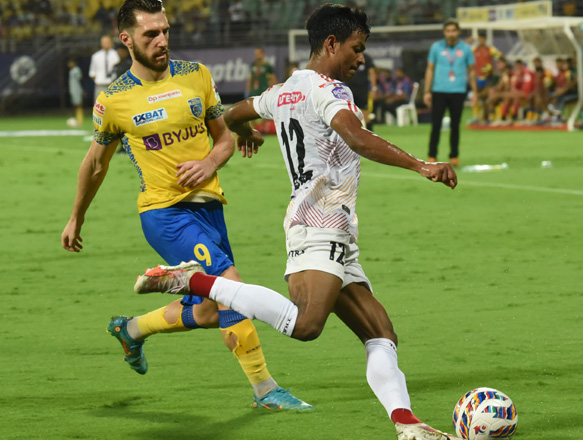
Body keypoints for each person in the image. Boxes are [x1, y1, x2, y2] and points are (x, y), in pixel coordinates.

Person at [133, 4, 459, 439]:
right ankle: (190, 283)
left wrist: (245, 131)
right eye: (356, 49)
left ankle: (407, 424)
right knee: (306, 325)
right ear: (331, 44)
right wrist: (421, 165)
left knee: (381, 333)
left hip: (333, 228)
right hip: (319, 221)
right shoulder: (331, 91)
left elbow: (234, 113)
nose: (361, 59)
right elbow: (356, 137)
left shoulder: (284, 89)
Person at [60, 0, 309, 412]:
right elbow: (95, 164)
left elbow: (223, 134)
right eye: (150, 35)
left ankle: (132, 330)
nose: (162, 41)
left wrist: (211, 160)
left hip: (210, 208)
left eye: (165, 31)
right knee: (230, 285)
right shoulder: (114, 100)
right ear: (127, 40)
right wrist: (75, 216)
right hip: (164, 214)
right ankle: (266, 390)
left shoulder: (197, 75)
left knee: (212, 311)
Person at [424, 19, 476, 166]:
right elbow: (430, 69)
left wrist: (475, 92)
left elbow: (471, 72)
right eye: (448, 31)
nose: (451, 33)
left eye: (454, 30)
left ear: (458, 32)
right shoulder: (436, 47)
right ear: (444, 32)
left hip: (458, 91)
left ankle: (454, 156)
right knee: (436, 124)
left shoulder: (466, 49)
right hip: (439, 90)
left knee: (455, 125)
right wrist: (427, 91)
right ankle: (432, 155)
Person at [246, 47, 278, 134]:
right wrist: (248, 88)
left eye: (258, 53)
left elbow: (272, 77)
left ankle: (263, 129)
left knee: (264, 110)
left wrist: (274, 88)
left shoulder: (267, 66)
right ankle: (253, 129)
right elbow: (251, 77)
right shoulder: (253, 65)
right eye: (255, 53)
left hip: (263, 89)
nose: (256, 55)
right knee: (250, 110)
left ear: (262, 54)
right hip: (254, 90)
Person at [346, 51, 377, 130]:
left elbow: (372, 72)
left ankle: (371, 135)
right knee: (348, 112)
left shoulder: (366, 58)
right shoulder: (347, 57)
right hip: (348, 88)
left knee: (365, 113)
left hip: (362, 90)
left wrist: (373, 88)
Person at [89, 34, 119, 102]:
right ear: (101, 43)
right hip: (100, 85)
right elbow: (92, 72)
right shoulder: (95, 56)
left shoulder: (116, 55)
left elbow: (118, 69)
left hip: (113, 85)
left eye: (108, 42)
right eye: (104, 42)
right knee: (99, 106)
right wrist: (98, 80)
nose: (106, 44)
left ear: (111, 43)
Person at [67, 58, 83, 127]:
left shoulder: (76, 70)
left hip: (77, 89)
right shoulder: (71, 70)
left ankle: (80, 120)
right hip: (73, 90)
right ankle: (77, 119)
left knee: (79, 104)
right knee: (75, 105)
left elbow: (80, 79)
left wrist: (81, 89)